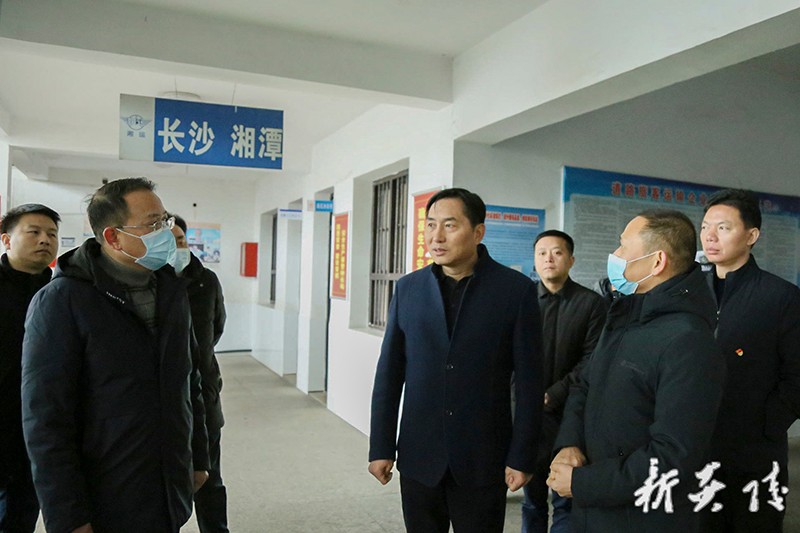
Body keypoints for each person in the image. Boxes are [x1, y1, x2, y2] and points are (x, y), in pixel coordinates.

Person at [21, 178, 209, 533]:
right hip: (105, 495)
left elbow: (190, 380)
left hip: (168, 484)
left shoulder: (171, 290)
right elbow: (46, 417)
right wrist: (68, 516)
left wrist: (198, 457)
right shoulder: (63, 300)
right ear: (113, 237)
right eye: (153, 224)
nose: (165, 232)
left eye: (165, 220)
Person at [368, 188, 543, 533]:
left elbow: (529, 382)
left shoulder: (515, 290)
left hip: (483, 457)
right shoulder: (408, 289)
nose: (437, 236)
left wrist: (522, 456)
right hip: (419, 454)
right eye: (431, 224)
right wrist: (381, 446)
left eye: (449, 225)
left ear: (478, 232)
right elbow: (389, 374)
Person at [548, 209, 725, 532]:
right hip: (593, 510)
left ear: (657, 262)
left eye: (623, 246)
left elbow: (674, 455)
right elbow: (584, 385)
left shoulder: (688, 341)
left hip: (643, 518)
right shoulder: (623, 317)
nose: (615, 255)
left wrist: (584, 483)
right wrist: (569, 444)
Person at [699, 189, 800, 532]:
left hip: (756, 453)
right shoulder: (690, 294)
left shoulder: (781, 297)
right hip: (696, 450)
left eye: (723, 228)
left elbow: (797, 375)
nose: (710, 236)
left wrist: (767, 424)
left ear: (751, 235)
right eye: (705, 227)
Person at [521, 230, 607, 533]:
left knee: (566, 500)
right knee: (532, 500)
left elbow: (593, 359)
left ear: (571, 260)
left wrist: (554, 394)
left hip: (570, 415)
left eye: (557, 252)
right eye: (542, 253)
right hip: (528, 416)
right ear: (534, 260)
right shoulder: (522, 301)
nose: (549, 259)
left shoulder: (592, 304)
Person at [0, 204, 59, 532]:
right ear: (7, 240)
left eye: (51, 234)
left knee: (21, 514)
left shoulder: (62, 292)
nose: (45, 240)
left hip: (40, 428)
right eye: (33, 232)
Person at [170, 214, 229, 533]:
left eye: (180, 239)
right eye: (168, 241)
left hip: (204, 392)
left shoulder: (207, 281)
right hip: (166, 397)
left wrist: (198, 357)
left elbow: (216, 328)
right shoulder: (149, 282)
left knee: (211, 478)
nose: (176, 246)